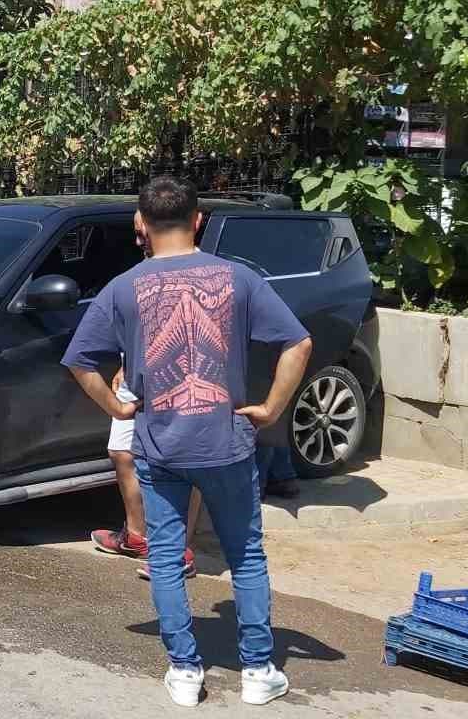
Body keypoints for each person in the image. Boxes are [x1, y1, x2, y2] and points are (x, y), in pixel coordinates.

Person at [62, 176, 313, 707]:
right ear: (199, 220)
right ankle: (258, 670)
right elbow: (298, 342)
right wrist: (270, 409)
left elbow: (80, 361)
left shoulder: (123, 287)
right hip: (228, 444)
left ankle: (183, 670)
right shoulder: (239, 279)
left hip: (160, 447)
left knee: (168, 556)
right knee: (245, 556)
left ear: (141, 225)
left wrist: (118, 407)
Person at [91, 226, 203, 579]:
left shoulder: (197, 268)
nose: (139, 237)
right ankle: (138, 536)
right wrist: (125, 364)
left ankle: (179, 552)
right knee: (121, 452)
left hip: (180, 378)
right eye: (137, 228)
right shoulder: (139, 272)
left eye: (144, 229)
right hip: (137, 374)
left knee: (184, 462)